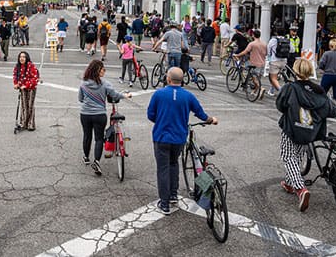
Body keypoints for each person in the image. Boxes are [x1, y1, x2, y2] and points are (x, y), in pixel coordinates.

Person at [147, 67, 217, 214]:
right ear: (182, 79)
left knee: (163, 168)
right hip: (179, 137)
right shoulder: (188, 96)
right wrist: (211, 120)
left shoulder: (158, 94)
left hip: (161, 136)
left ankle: (164, 203)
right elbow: (201, 114)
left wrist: (161, 119)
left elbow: (151, 115)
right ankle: (173, 194)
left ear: (168, 78)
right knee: (173, 163)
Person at [276, 59, 336, 212]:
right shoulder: (319, 91)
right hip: (309, 131)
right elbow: (332, 110)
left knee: (288, 156)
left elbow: (280, 105)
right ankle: (290, 183)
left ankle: (300, 189)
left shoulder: (290, 88)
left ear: (295, 71)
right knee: (297, 155)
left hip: (292, 128)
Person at [79, 60, 131, 176]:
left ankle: (86, 157)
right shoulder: (105, 83)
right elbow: (115, 95)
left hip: (85, 114)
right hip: (99, 114)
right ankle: (97, 161)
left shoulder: (83, 83)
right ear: (97, 70)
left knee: (87, 135)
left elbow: (80, 99)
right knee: (99, 138)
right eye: (103, 69)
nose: (104, 71)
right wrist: (125, 96)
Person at [234, 29, 266, 96]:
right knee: (258, 79)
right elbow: (266, 53)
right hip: (262, 63)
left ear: (253, 35)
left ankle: (261, 88)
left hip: (254, 63)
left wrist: (237, 55)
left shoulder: (252, 44)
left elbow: (245, 52)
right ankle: (254, 92)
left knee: (245, 68)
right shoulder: (264, 44)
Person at [13, 51, 40, 131]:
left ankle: (31, 124)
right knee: (24, 105)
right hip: (22, 88)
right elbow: (15, 76)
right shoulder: (17, 66)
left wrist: (26, 85)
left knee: (30, 105)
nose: (22, 58)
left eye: (24, 57)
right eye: (20, 57)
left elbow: (35, 78)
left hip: (31, 88)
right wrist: (16, 84)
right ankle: (23, 122)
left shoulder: (31, 66)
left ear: (27, 58)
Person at [267, 29, 292, 97]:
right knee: (276, 76)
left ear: (276, 33)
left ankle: (281, 91)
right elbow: (292, 49)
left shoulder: (273, 40)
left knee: (273, 78)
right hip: (284, 61)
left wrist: (269, 57)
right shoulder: (288, 40)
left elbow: (268, 50)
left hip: (275, 61)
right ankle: (271, 90)